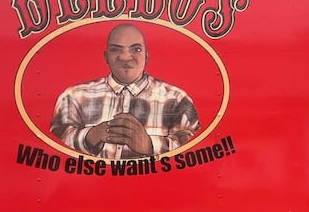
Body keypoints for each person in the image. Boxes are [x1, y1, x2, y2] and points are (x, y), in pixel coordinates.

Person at [50, 23, 201, 159]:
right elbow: (54, 143)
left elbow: (195, 150)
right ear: (106, 57)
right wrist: (90, 136)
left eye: (136, 49)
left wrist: (149, 145)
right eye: (116, 49)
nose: (125, 57)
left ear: (146, 56)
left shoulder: (177, 99)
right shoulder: (74, 97)